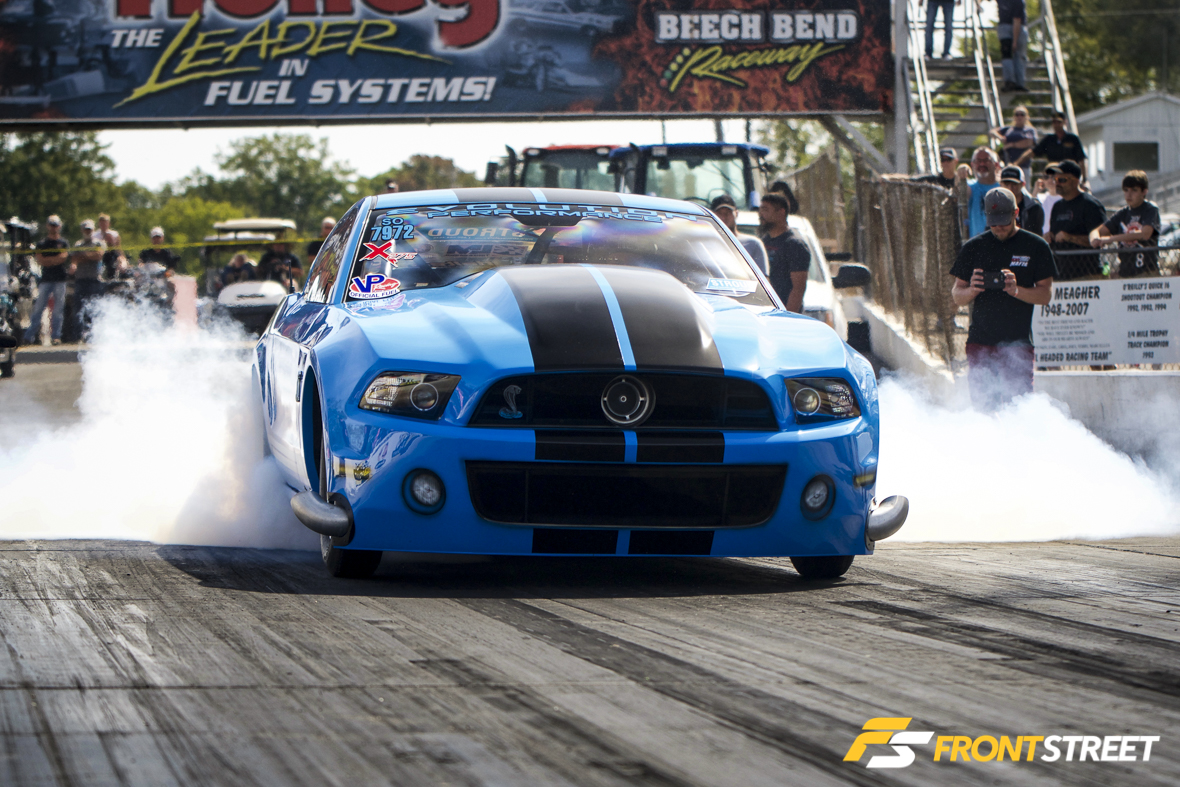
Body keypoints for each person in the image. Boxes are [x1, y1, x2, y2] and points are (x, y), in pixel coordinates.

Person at [950, 188, 1055, 410]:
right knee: (983, 408)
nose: (998, 227)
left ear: (1016, 213)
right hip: (980, 343)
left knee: (1019, 408)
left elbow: (1045, 295)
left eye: (1004, 222)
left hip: (1018, 344)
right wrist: (972, 290)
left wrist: (1016, 290)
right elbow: (957, 295)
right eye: (993, 222)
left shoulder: (1036, 246)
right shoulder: (973, 247)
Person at [1090, 170, 1162, 278]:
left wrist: (1111, 239)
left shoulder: (1150, 209)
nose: (1129, 194)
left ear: (1144, 191)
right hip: (1126, 272)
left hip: (1147, 272)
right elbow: (1098, 231)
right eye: (1126, 190)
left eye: (1134, 190)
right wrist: (1095, 239)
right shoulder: (1123, 213)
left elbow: (1145, 234)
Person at [1045, 160, 1106, 279]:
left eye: (1062, 180)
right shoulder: (1057, 206)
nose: (1057, 183)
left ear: (1076, 181)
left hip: (1087, 275)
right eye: (1055, 179)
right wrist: (1049, 236)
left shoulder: (1090, 205)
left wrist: (1069, 237)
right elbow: (1056, 235)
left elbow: (1101, 240)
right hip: (1061, 275)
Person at [23, 215, 70, 346]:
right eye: (51, 225)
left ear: (59, 226)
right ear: (47, 226)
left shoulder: (63, 243)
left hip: (60, 279)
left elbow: (63, 257)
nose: (53, 228)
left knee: (58, 310)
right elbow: (40, 260)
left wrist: (49, 260)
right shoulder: (42, 243)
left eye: (56, 225)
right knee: (38, 308)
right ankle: (29, 336)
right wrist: (54, 260)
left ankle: (56, 336)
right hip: (45, 279)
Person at [758, 193, 809, 313]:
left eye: (765, 210)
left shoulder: (794, 245)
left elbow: (798, 289)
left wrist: (787, 316)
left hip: (783, 313)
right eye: (760, 210)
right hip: (763, 313)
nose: (760, 214)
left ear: (781, 212)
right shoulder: (762, 242)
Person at [1017, 111, 1087, 181]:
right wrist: (1016, 163)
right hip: (1054, 175)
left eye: (1059, 122)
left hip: (1069, 175)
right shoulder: (1049, 139)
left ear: (1065, 122)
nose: (1056, 124)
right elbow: (1032, 152)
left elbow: (1081, 159)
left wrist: (1084, 178)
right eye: (1054, 122)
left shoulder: (1072, 139)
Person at [710, 194, 768, 275]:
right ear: (712, 216)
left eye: (728, 213)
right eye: (720, 213)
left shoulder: (753, 244)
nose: (724, 217)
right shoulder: (706, 244)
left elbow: (763, 279)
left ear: (736, 213)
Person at [71, 218, 107, 341]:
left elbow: (98, 255)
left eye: (90, 230)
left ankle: (94, 335)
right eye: (86, 229)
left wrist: (83, 255)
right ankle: (78, 336)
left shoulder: (98, 243)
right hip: (80, 280)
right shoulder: (78, 244)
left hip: (94, 280)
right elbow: (75, 259)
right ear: (82, 230)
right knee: (79, 309)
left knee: (94, 308)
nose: (88, 232)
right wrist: (89, 255)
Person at [957, 147, 1001, 238]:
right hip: (977, 242)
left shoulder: (1003, 187)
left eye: (986, 160)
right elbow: (958, 191)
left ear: (996, 164)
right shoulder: (971, 187)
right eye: (978, 161)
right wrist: (961, 173)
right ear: (972, 164)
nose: (982, 164)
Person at [990, 106, 1036, 182]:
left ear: (1026, 117)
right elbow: (992, 132)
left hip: (1023, 166)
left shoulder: (1029, 130)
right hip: (1007, 164)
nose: (1019, 117)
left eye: (1022, 114)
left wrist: (1011, 145)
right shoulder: (1009, 129)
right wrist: (1000, 137)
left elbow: (1028, 142)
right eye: (1017, 114)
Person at [999, 166, 1043, 235]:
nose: (1010, 187)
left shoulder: (1033, 207)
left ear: (1023, 184)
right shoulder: (996, 207)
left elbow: (1036, 236)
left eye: (1014, 184)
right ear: (1000, 184)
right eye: (1006, 184)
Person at [996, 0, 1027, 91]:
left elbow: (1017, 20)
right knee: (1011, 55)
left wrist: (1015, 41)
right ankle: (1013, 82)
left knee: (1013, 55)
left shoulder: (1017, 2)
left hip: (1015, 27)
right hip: (1007, 27)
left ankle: (1015, 82)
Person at [96, 213, 126, 280]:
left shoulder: (114, 234)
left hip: (112, 254)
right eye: (102, 223)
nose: (104, 225)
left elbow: (118, 248)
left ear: (109, 224)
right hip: (99, 256)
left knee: (120, 262)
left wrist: (122, 257)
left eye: (105, 223)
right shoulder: (95, 235)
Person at [1034, 164, 1062, 235]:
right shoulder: (1039, 198)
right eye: (1046, 177)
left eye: (1053, 177)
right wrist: (1035, 192)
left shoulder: (1067, 199)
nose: (1050, 180)